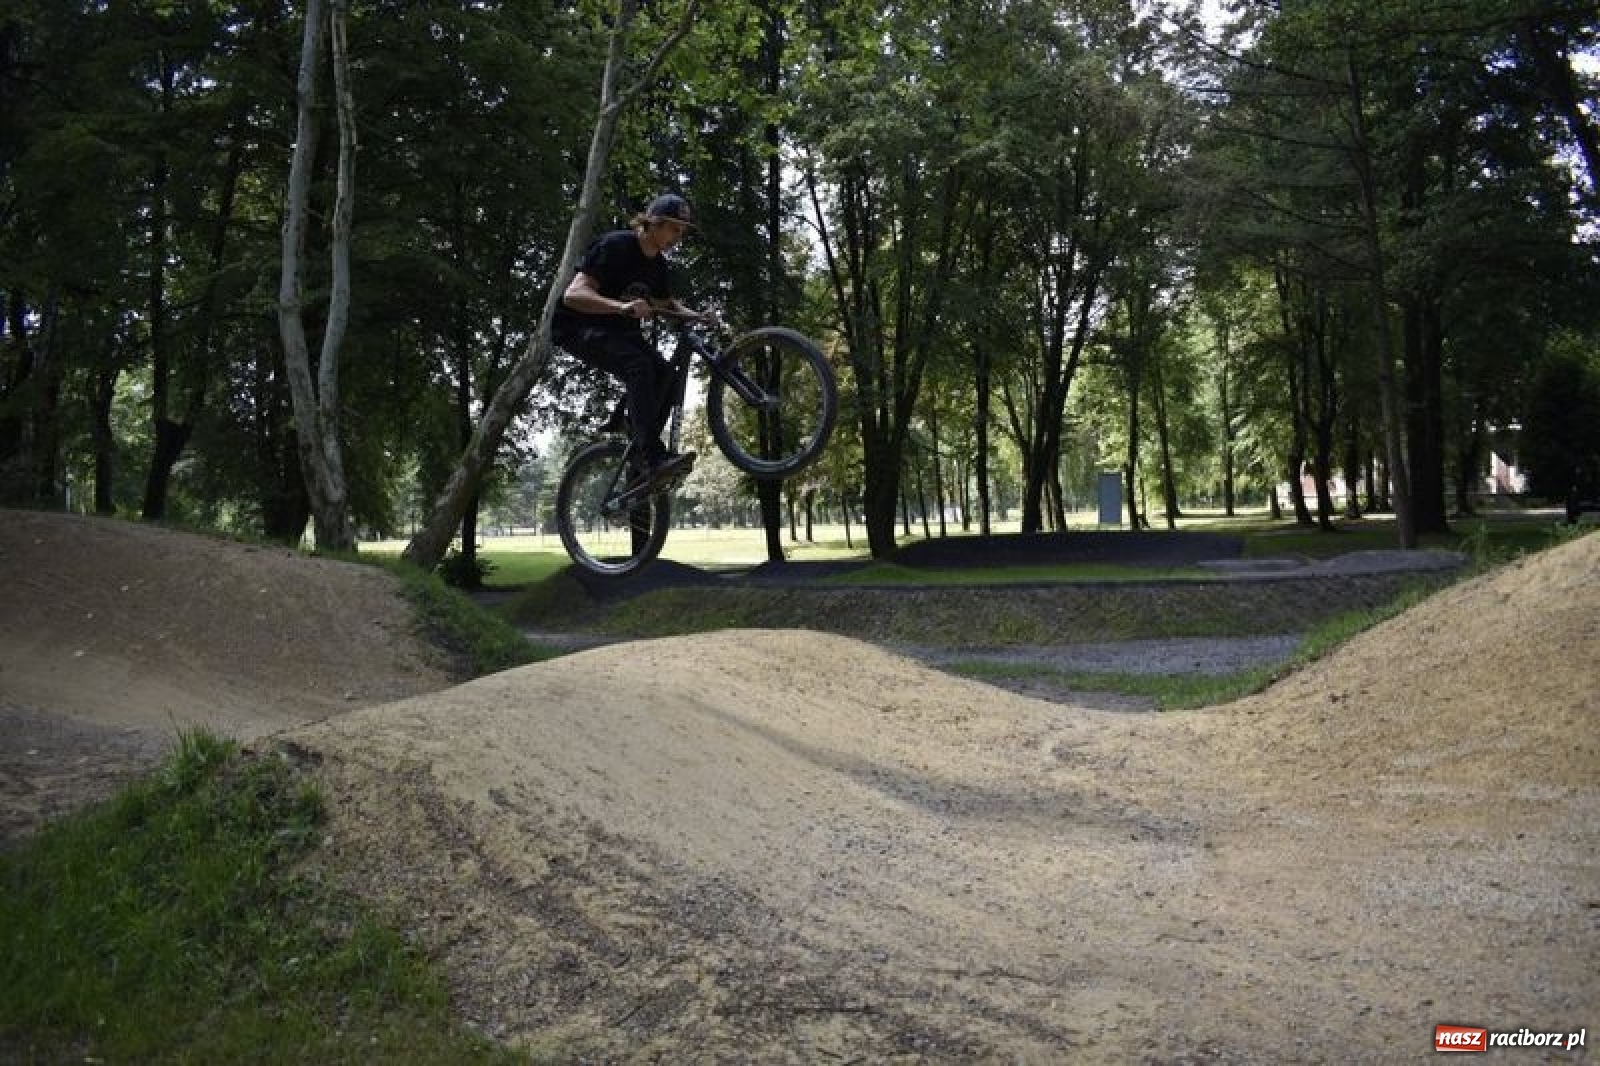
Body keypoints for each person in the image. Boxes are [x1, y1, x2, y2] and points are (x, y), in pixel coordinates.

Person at [553, 193, 719, 486]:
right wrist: (621, 307)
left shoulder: (658, 266)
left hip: (618, 333)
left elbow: (668, 307)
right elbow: (573, 295)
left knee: (668, 377)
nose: (678, 237)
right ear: (652, 223)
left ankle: (638, 441)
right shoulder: (614, 246)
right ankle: (652, 455)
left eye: (682, 231)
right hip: (578, 327)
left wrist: (699, 317)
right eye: (673, 228)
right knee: (639, 364)